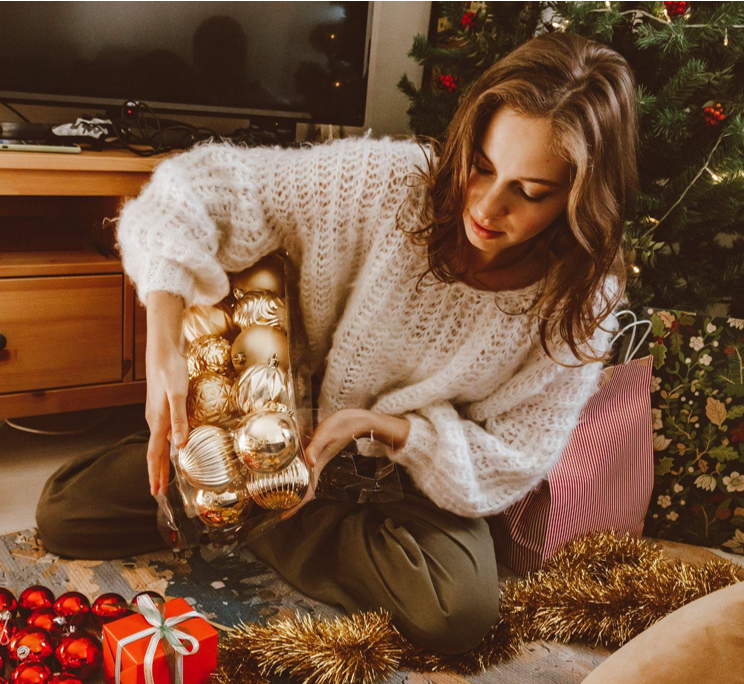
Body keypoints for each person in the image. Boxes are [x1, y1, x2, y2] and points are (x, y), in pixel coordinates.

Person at [36, 32, 638, 654]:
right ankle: (257, 500)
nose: (487, 205)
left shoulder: (581, 301)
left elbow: (514, 456)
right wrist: (162, 342)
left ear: (578, 199)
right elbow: (195, 188)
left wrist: (381, 428)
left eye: (531, 192)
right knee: (65, 515)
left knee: (459, 612)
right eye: (481, 165)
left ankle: (247, 514)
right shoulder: (391, 180)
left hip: (404, 483)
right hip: (274, 431)